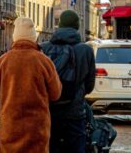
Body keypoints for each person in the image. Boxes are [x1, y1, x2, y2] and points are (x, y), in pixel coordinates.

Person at [0, 17, 62, 153]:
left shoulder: (3, 61)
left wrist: (7, 96)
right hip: (37, 129)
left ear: (15, 37)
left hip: (11, 127)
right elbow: (56, 94)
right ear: (34, 37)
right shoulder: (44, 61)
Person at [40, 10, 96, 153]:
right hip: (75, 110)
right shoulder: (85, 50)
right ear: (77, 26)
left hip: (49, 109)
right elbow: (90, 84)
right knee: (76, 147)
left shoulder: (44, 48)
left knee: (50, 146)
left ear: (60, 25)